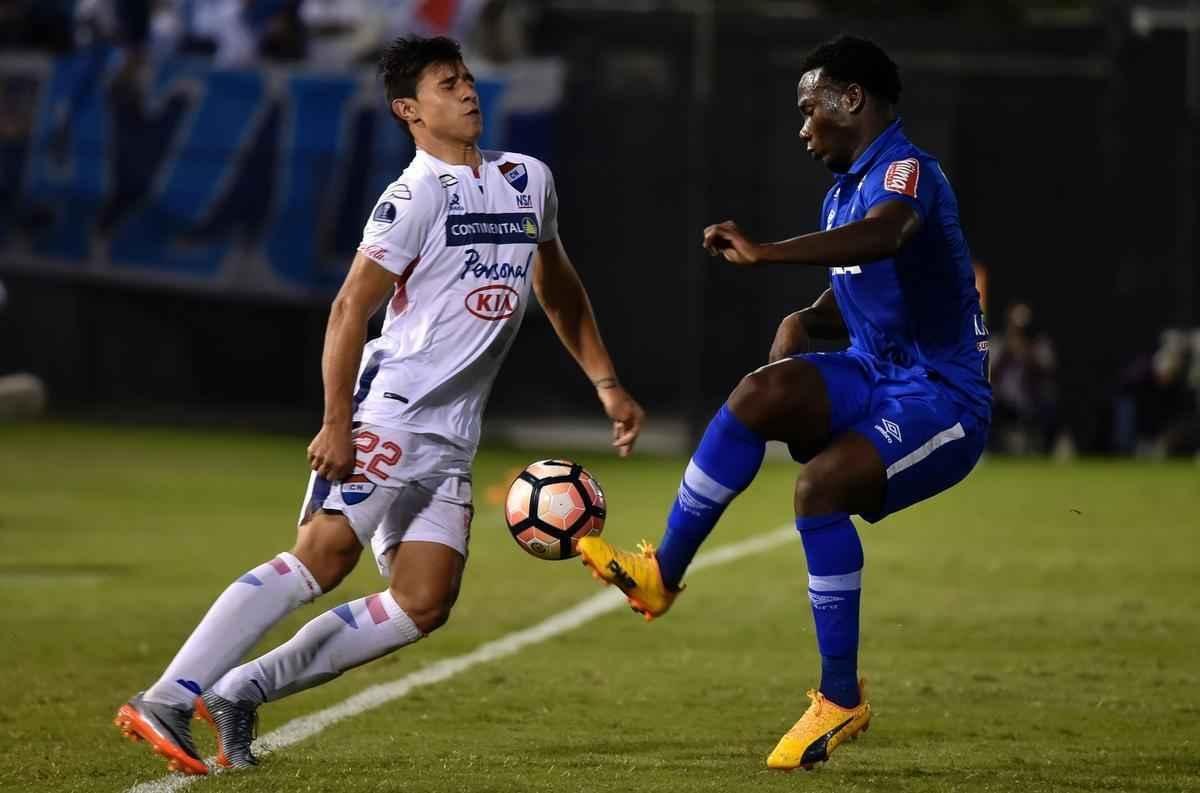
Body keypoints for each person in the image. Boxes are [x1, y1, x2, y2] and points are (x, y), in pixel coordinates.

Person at [113, 34, 645, 776]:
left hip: (452, 435)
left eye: (467, 78)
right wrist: (337, 423)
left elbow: (556, 286)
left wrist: (607, 384)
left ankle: (241, 690)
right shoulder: (413, 197)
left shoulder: (529, 179)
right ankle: (169, 695)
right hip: (389, 412)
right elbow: (347, 310)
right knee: (325, 555)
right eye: (447, 84)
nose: (467, 91)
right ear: (408, 110)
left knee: (424, 600)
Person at [578, 35, 991, 772]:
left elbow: (888, 235)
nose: (803, 128)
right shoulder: (842, 193)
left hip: (941, 397)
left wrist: (767, 253)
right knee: (759, 392)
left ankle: (840, 699)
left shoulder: (906, 171)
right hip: (872, 369)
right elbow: (862, 278)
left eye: (810, 108)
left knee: (818, 488)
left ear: (851, 99)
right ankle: (661, 574)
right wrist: (806, 316)